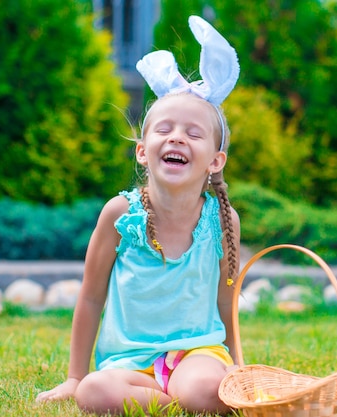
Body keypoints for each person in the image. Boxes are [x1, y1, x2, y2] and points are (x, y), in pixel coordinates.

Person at [36, 15, 241, 415]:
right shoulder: (120, 214)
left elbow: (225, 303)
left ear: (215, 161)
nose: (177, 137)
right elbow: (92, 297)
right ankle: (176, 403)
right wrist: (75, 377)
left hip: (197, 353)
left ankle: (191, 397)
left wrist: (239, 366)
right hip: (128, 365)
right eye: (164, 129)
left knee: (205, 387)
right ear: (143, 151)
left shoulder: (222, 220)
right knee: (92, 394)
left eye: (194, 134)